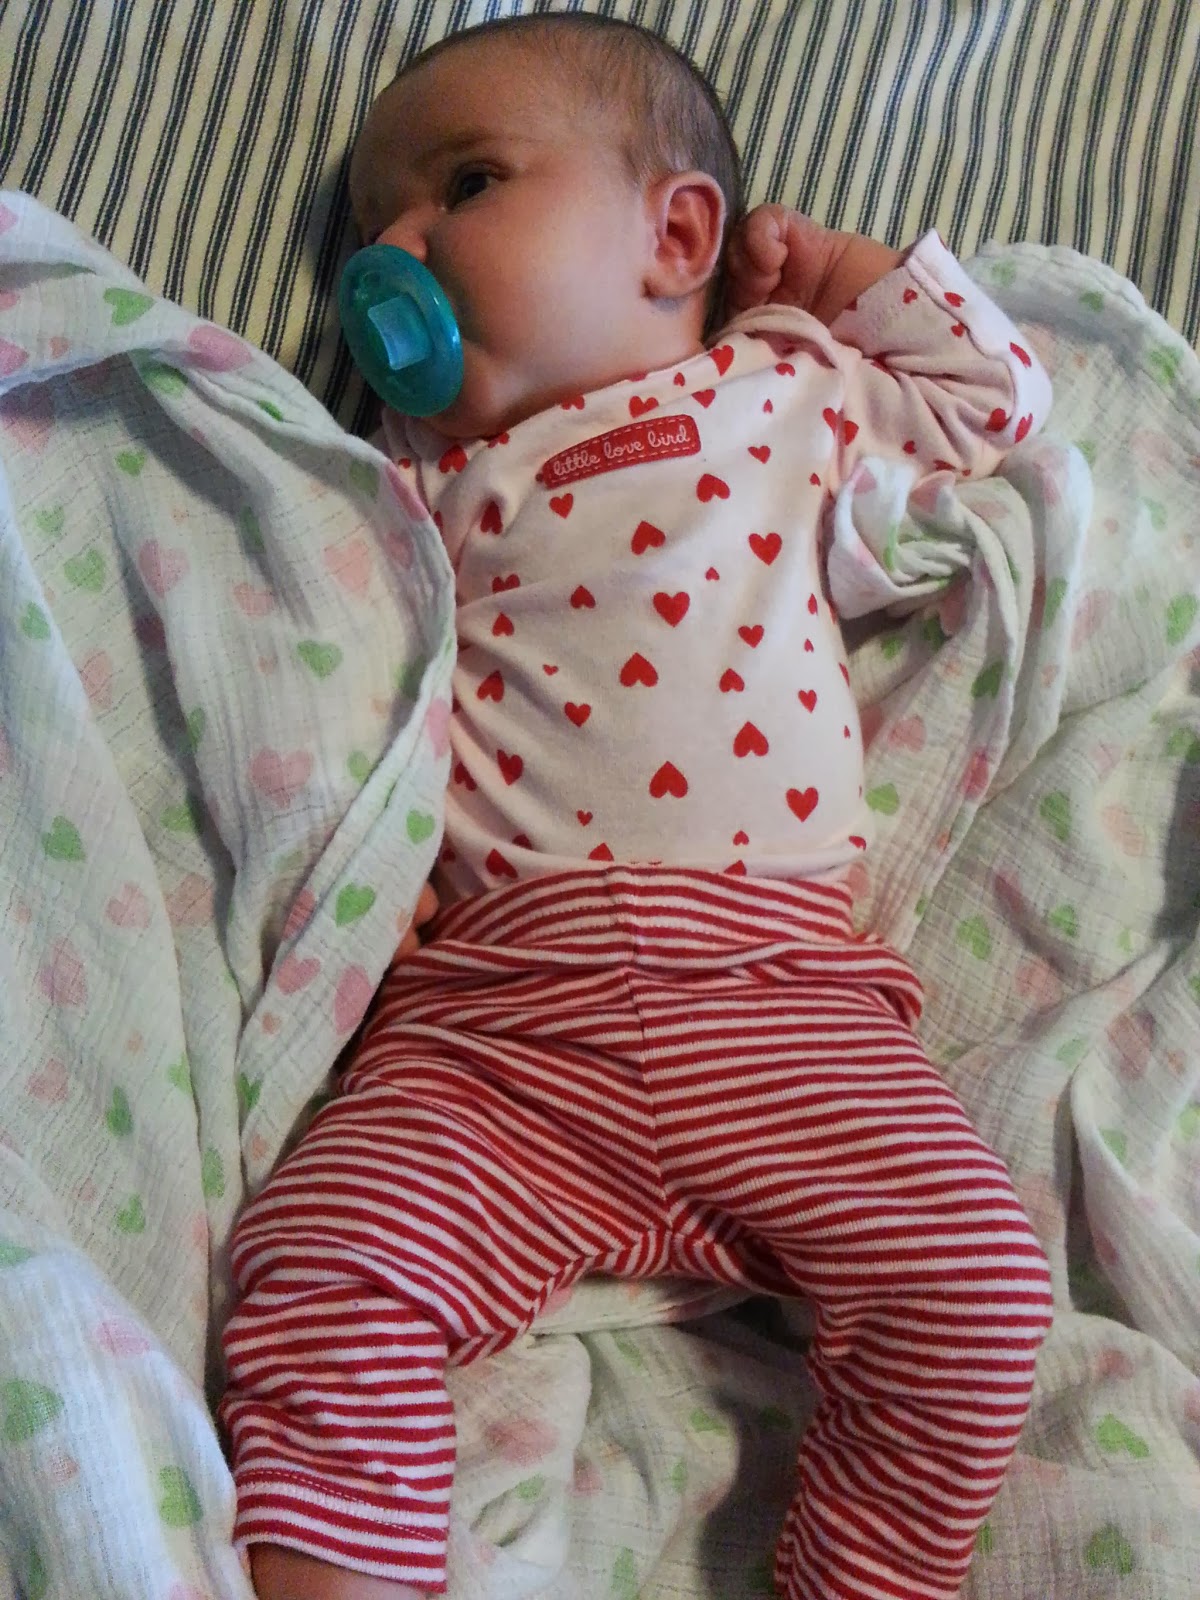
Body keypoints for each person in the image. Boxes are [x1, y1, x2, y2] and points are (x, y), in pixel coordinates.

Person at [219, 15, 1055, 1600]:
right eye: (373, 229)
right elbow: (339, 675)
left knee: (978, 1289)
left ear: (676, 237)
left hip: (780, 1000)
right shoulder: (398, 479)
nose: (395, 252)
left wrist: (843, 274)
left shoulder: (779, 391)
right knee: (319, 1265)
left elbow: (993, 399)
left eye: (465, 185)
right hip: (500, 1024)